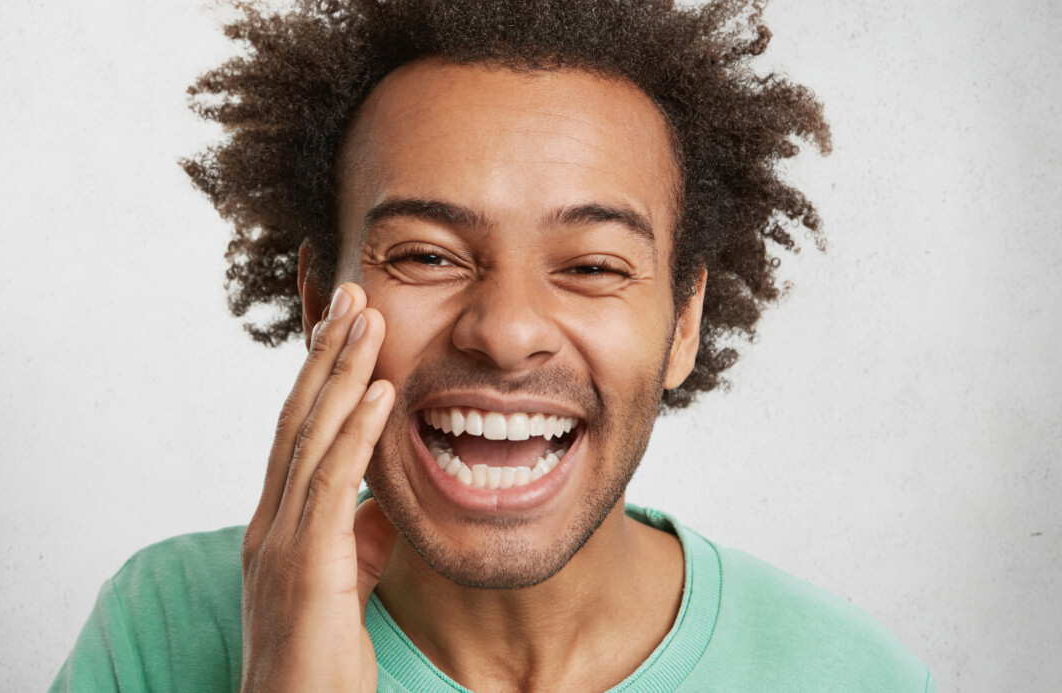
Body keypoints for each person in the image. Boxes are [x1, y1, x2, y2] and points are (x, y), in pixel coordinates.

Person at [51, 0, 935, 690]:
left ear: (683, 322)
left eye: (592, 265)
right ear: (322, 301)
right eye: (428, 255)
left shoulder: (859, 676)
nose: (507, 332)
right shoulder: (163, 628)